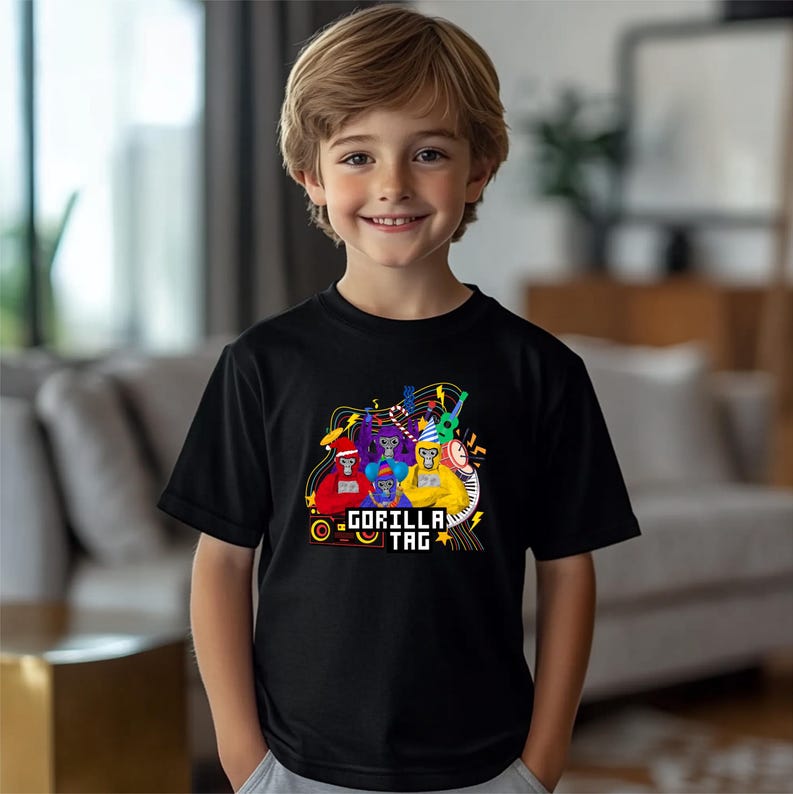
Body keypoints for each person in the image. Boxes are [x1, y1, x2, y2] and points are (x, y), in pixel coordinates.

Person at [156, 5, 642, 793]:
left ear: (479, 168)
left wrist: (541, 763)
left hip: (488, 767)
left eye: (428, 152)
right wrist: (246, 760)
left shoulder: (541, 370)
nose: (392, 185)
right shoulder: (261, 365)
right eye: (356, 155)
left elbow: (568, 570)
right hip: (294, 765)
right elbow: (220, 566)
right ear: (310, 172)